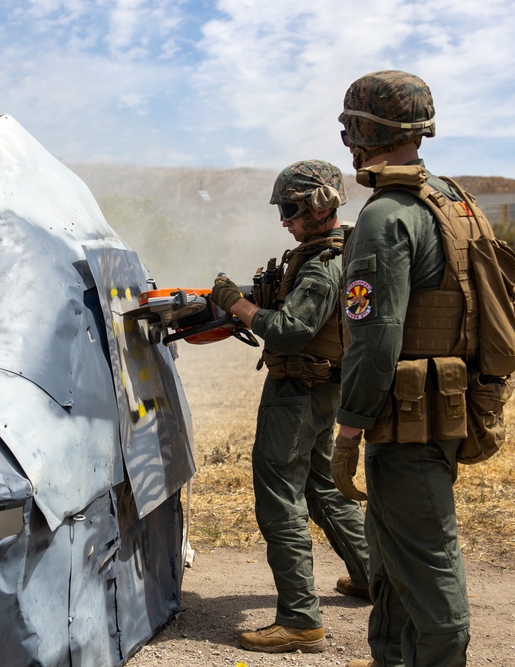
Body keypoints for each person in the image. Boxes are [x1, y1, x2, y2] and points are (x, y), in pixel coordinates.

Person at [331, 70, 471, 667]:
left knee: (427, 560)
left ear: (365, 131)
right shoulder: (448, 197)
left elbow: (375, 336)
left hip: (403, 419)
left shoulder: (386, 213)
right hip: (440, 407)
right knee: (391, 559)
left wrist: (348, 427)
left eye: (350, 126)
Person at [209, 160, 371, 654]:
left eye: (290, 209)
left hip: (297, 393)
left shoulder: (323, 267)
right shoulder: (336, 253)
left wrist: (235, 304)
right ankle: (372, 575)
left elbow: (291, 330)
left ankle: (300, 620)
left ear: (319, 206)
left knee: (281, 495)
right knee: (321, 485)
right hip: (323, 391)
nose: (284, 219)